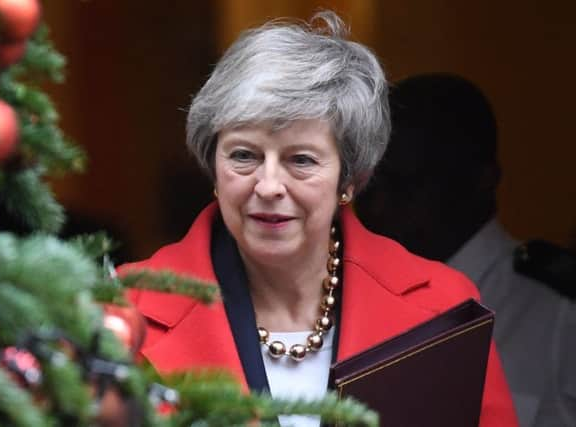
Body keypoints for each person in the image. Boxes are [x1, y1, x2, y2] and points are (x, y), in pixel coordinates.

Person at [120, 14, 518, 427]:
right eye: (244, 155)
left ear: (349, 179)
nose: (269, 185)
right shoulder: (122, 311)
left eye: (301, 160)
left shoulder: (443, 308)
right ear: (212, 167)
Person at [356, 73, 576, 427]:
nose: (377, 208)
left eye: (406, 186)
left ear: (481, 180)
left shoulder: (558, 314)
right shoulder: (341, 298)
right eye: (368, 187)